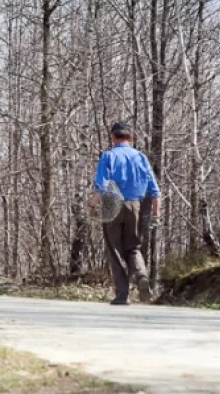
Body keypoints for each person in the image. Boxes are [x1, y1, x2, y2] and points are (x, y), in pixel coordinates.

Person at [88, 122, 160, 305]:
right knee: (133, 247)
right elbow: (154, 191)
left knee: (115, 249)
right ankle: (141, 274)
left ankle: (122, 295)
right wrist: (156, 215)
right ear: (131, 138)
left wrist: (92, 206)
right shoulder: (141, 158)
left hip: (113, 204)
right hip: (135, 205)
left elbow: (102, 186)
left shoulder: (109, 156)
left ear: (113, 137)